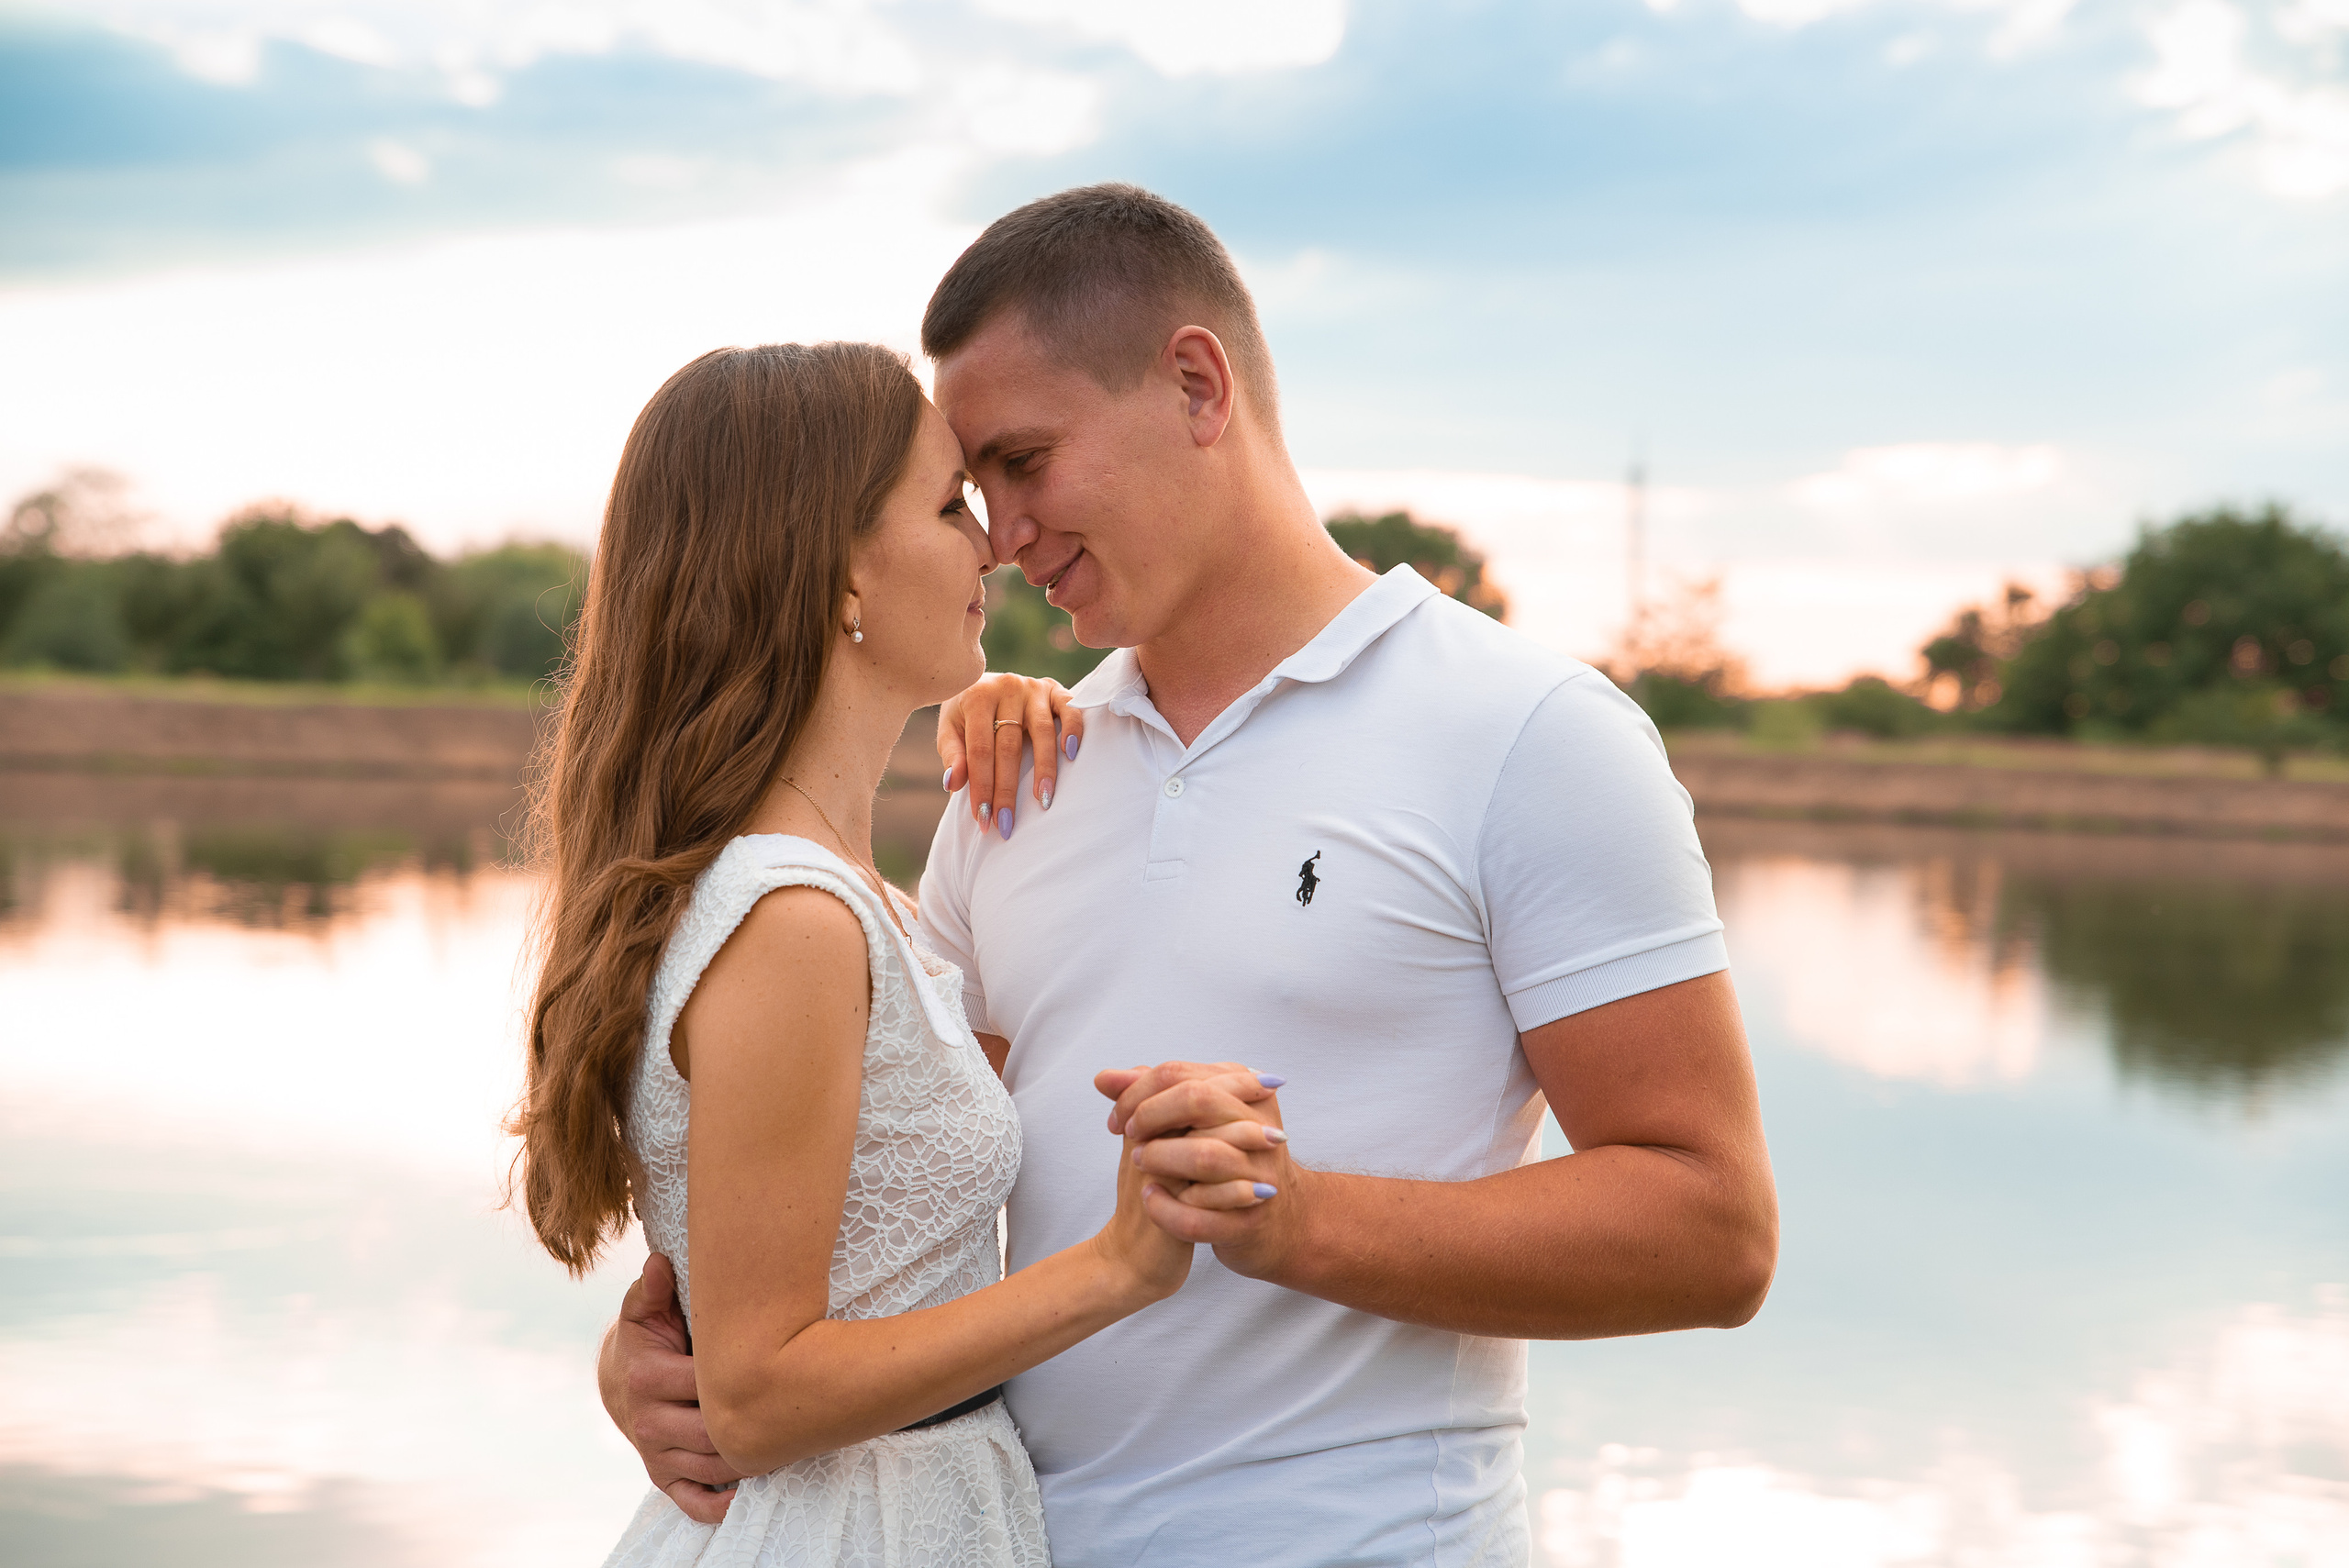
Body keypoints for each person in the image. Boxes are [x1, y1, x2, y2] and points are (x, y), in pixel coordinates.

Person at [606, 185, 1779, 1565]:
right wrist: (663, 1353)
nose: (1001, 534)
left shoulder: (1535, 735)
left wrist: (1299, 1218)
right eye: (972, 489)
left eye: (1027, 461)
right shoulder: (1014, 773)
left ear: (1196, 386)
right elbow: (887, 1188)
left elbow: (1715, 1229)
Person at [511, 340, 1286, 1566]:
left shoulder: (830, 898)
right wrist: (1121, 1265)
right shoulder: (791, 920)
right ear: (839, 580)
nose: (991, 545)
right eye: (947, 506)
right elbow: (758, 1397)